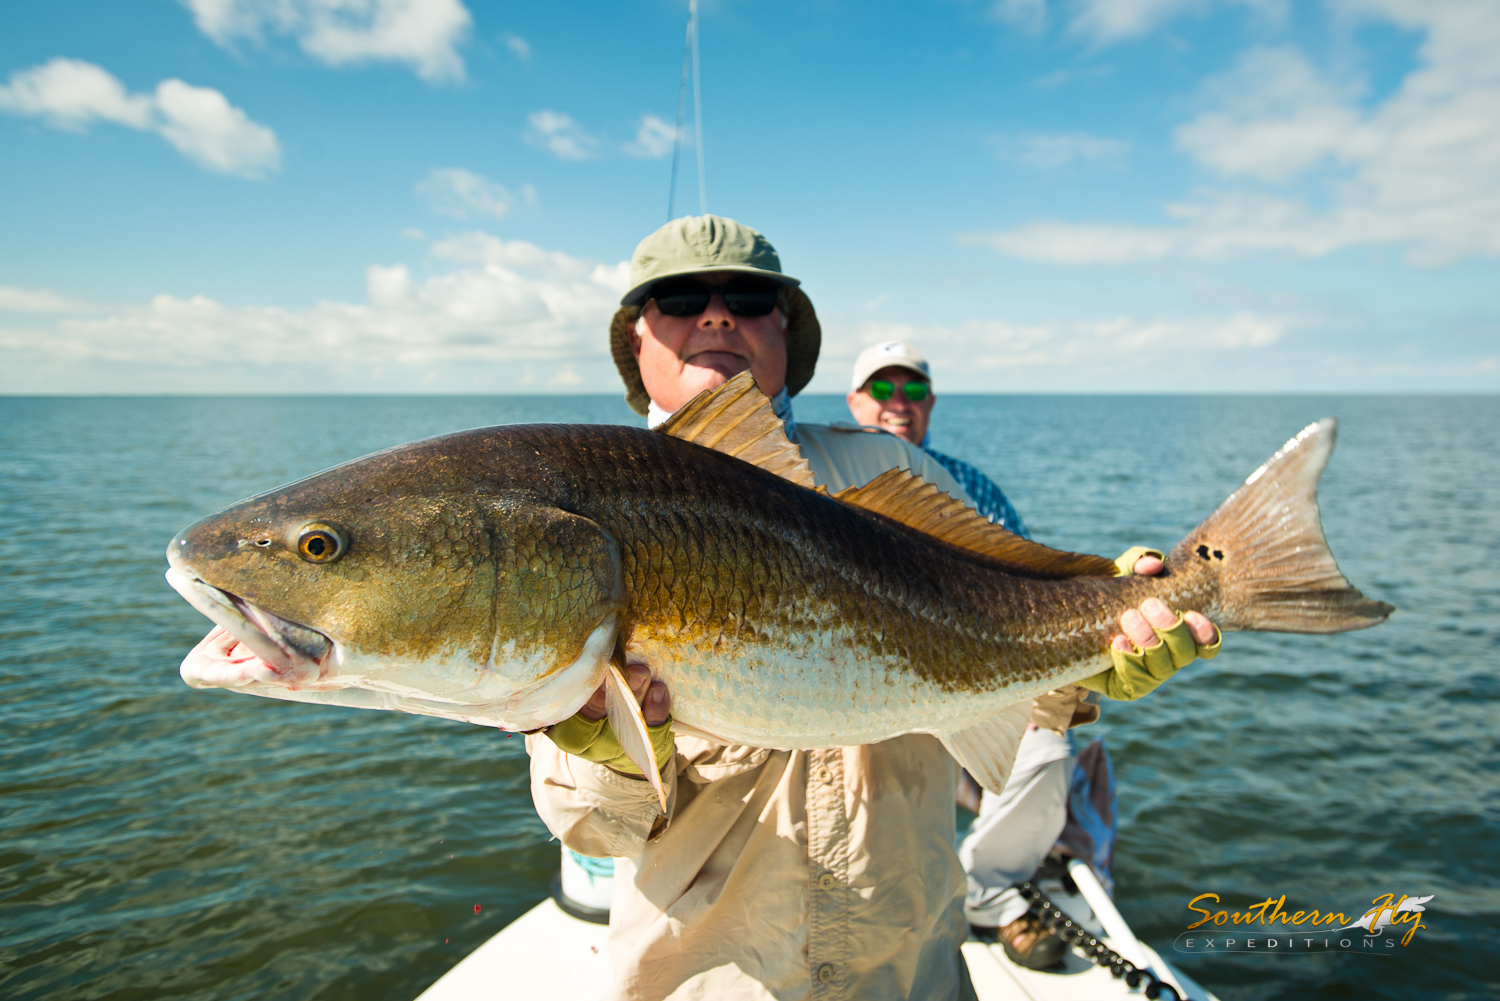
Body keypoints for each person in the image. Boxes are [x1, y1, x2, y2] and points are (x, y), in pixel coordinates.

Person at [526, 215, 1218, 1001]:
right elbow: (596, 830)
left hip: (913, 973)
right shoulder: (581, 510)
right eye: (680, 296)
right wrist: (604, 750)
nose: (716, 315)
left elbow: (1005, 617)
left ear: (785, 331)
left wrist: (1099, 635)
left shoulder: (895, 467)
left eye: (750, 298)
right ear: (637, 340)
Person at [847, 341, 1136, 970]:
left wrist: (1052, 681)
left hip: (968, 689)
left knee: (1051, 749)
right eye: (883, 389)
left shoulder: (971, 487)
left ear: (931, 404)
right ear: (853, 402)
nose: (900, 403)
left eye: (915, 391)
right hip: (863, 698)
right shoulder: (820, 479)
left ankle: (989, 890)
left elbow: (1031, 593)